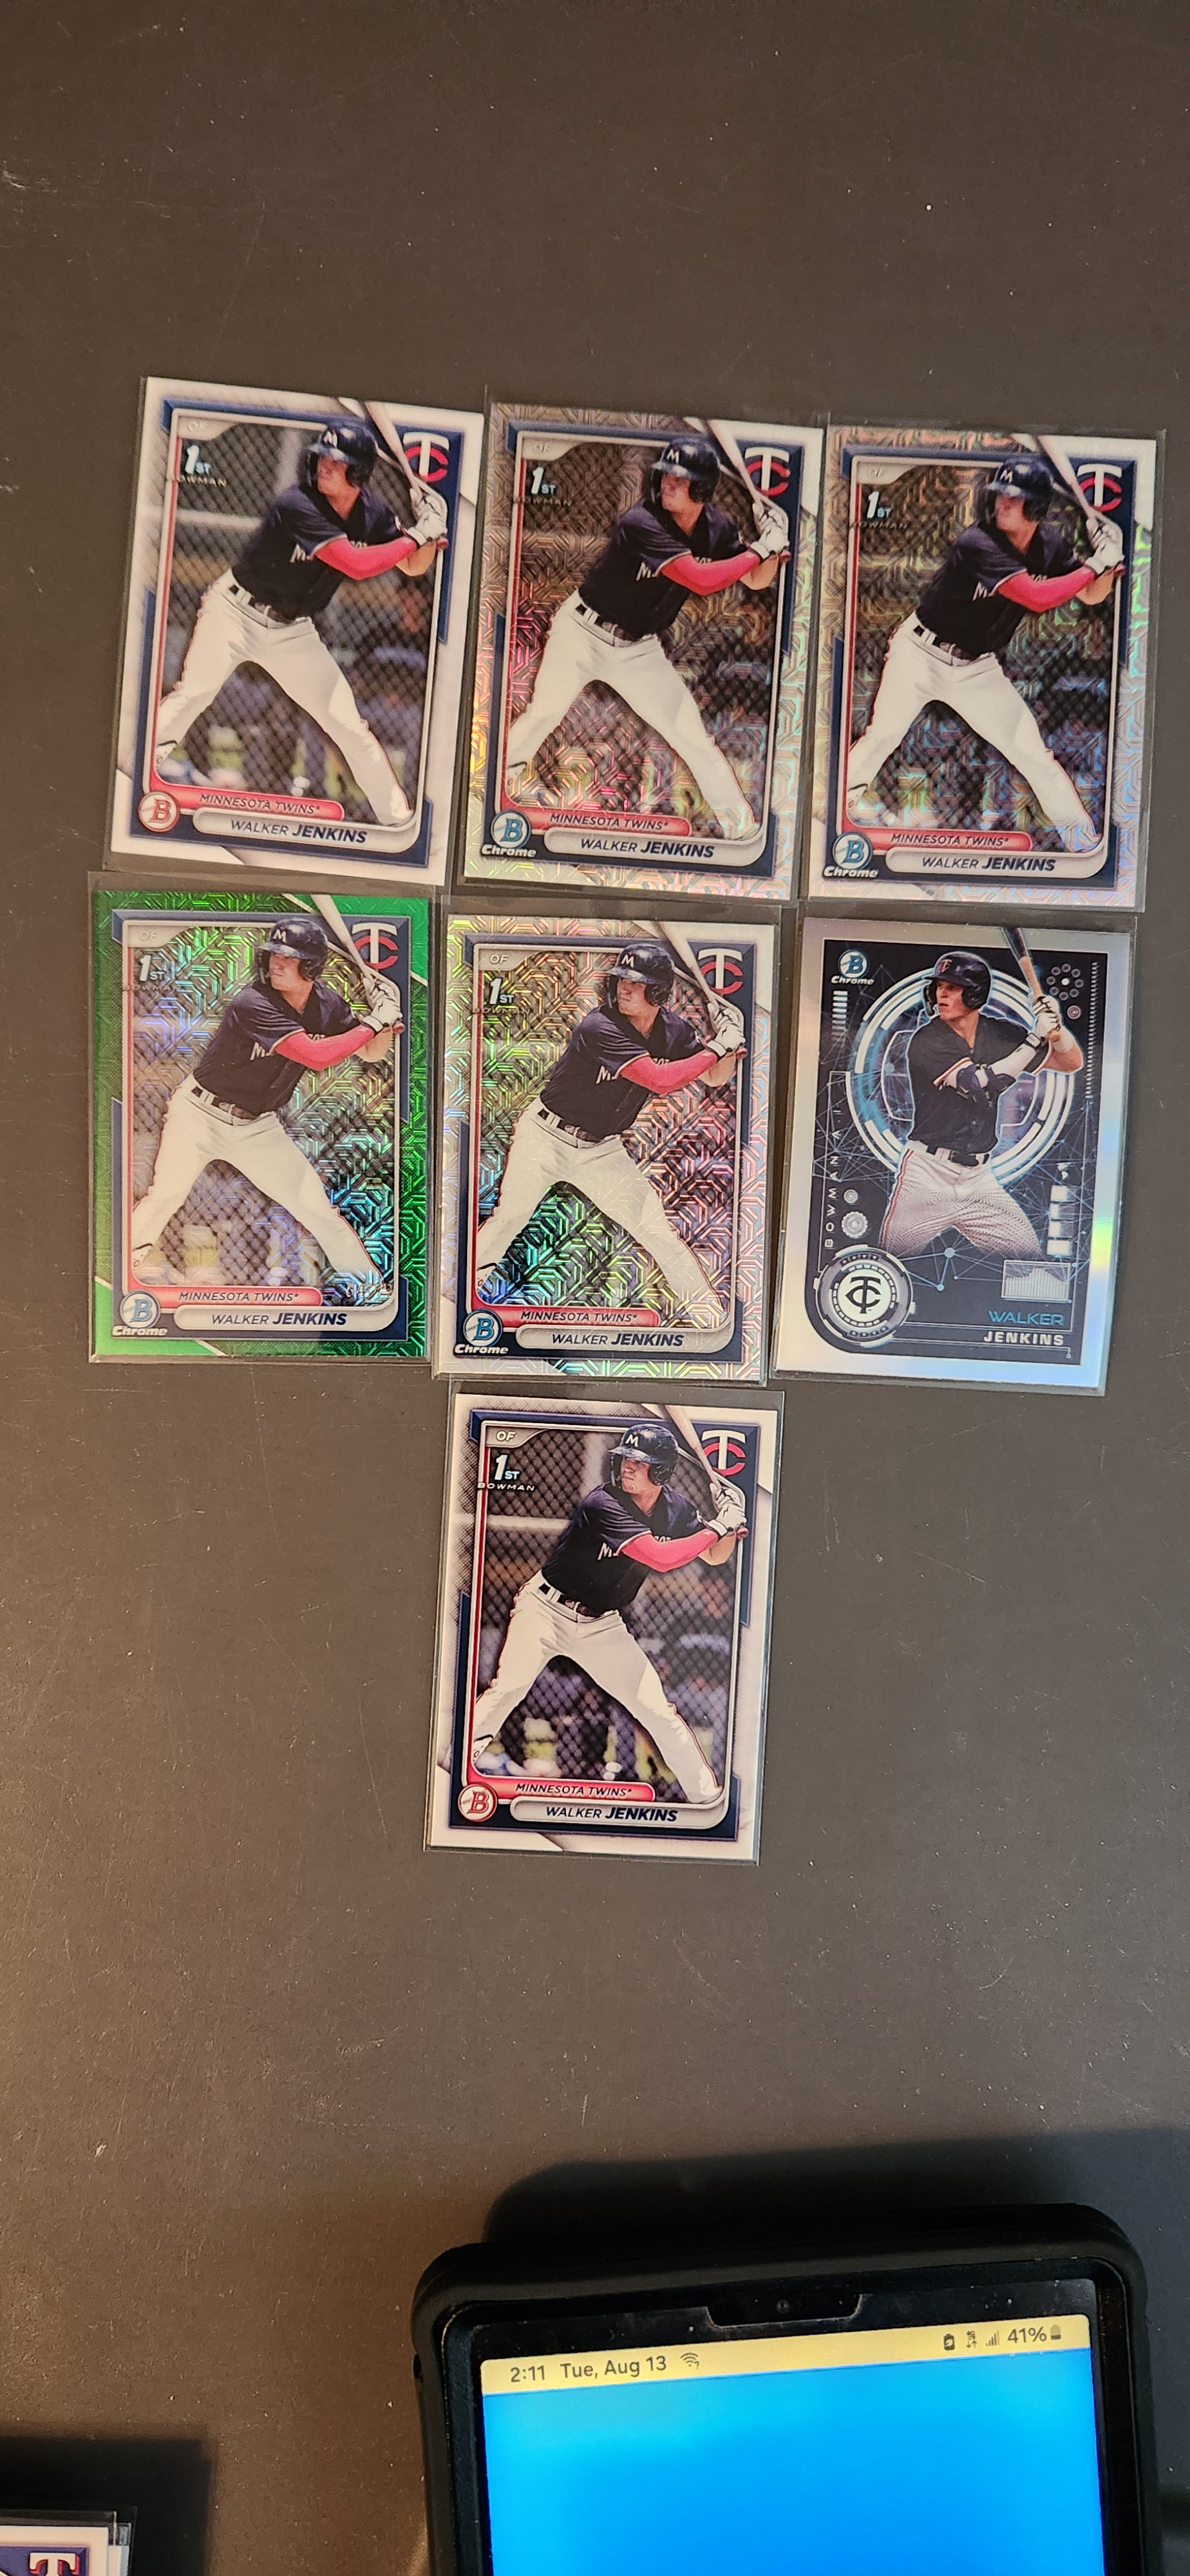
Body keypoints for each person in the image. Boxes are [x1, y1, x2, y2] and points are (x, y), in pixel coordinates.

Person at [155, 422, 446, 827]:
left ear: (359, 473)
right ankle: (139, 770)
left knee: (348, 725)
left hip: (292, 630)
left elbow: (414, 566)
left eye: (337, 462)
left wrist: (430, 533)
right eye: (323, 457)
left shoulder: (372, 514)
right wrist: (415, 536)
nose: (324, 465)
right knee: (195, 693)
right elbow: (356, 565)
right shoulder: (298, 504)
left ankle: (397, 820)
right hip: (234, 613)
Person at [504, 434, 788, 840]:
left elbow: (757, 580)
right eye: (666, 474)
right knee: (544, 713)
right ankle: (496, 786)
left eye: (680, 478)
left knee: (694, 738)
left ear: (702, 489)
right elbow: (700, 580)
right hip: (581, 632)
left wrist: (772, 548)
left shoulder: (716, 529)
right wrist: (758, 550)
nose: (668, 482)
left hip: (638, 649)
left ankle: (741, 830)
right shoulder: (641, 522)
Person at [846, 457, 1125, 851]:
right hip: (919, 653)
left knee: (1033, 754)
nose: (1002, 503)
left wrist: (1108, 565)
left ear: (1036, 508)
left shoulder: (1050, 547)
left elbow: (1091, 594)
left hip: (977, 668)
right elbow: (1036, 597)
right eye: (1000, 495)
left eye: (1015, 498)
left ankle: (1082, 843)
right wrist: (1093, 565)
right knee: (883, 735)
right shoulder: (978, 542)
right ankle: (838, 809)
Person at [474, 941, 743, 1332]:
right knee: (510, 1216)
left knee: (657, 1231)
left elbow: (714, 1077)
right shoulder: (599, 1026)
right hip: (545, 1136)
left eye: (637, 982)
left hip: (602, 1150)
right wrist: (715, 1047)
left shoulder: (674, 1031)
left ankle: (710, 1320)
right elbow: (659, 1080)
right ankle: (459, 1293)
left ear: (658, 992)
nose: (625, 987)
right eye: (621, 980)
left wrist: (730, 1045)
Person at [471, 1423, 746, 1806]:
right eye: (626, 1459)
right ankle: (459, 1760)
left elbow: (715, 1555)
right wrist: (717, 1526)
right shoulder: (602, 1504)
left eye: (639, 1462)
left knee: (657, 1711)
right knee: (510, 1687)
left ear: (661, 1472)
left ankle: (706, 1798)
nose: (627, 1466)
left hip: (602, 1625)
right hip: (545, 1610)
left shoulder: (675, 1509)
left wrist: (729, 1523)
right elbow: (660, 1558)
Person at [130, 916, 402, 1292]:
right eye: (274, 955)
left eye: (289, 958)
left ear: (311, 967)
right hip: (199, 1116)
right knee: (167, 1194)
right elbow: (316, 1056)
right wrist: (371, 1023)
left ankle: (368, 1289)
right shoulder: (253, 1002)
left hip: (257, 1126)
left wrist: (385, 1021)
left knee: (318, 1211)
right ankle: (127, 1267)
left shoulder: (326, 1004)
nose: (277, 963)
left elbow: (371, 1052)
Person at [880, 949, 1082, 1260]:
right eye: (939, 986)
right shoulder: (927, 1039)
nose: (941, 994)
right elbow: (979, 1084)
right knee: (892, 1264)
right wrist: (1033, 1039)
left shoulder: (999, 1033)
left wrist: (1057, 1032)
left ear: (975, 995)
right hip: (928, 1174)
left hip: (978, 1180)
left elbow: (1070, 1062)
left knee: (1028, 1262)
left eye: (952, 987)